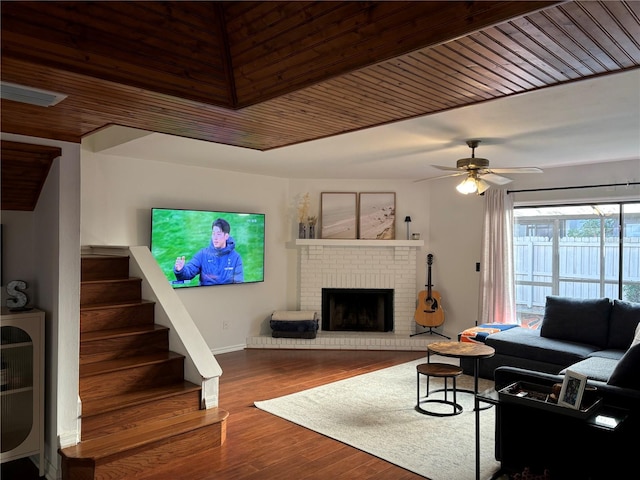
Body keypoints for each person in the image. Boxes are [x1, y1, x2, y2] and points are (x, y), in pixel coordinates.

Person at [174, 218, 244, 285]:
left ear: (226, 236)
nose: (215, 238)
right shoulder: (202, 254)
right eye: (213, 234)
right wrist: (180, 270)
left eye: (218, 234)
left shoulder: (236, 257)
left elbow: (239, 284)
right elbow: (187, 274)